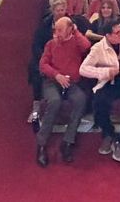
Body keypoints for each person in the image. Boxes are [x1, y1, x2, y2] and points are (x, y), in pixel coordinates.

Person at [79, 20, 120, 163]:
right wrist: (104, 72)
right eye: (118, 32)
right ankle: (108, 133)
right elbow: (83, 69)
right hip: (109, 81)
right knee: (99, 101)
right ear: (108, 35)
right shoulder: (98, 48)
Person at [36, 17, 91, 167]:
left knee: (80, 100)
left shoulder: (76, 42)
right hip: (53, 81)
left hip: (71, 82)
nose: (57, 33)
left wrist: (76, 31)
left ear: (70, 29)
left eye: (60, 30)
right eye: (55, 30)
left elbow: (86, 46)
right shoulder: (50, 44)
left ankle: (67, 141)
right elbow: (43, 65)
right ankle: (41, 144)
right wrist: (56, 75)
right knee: (54, 101)